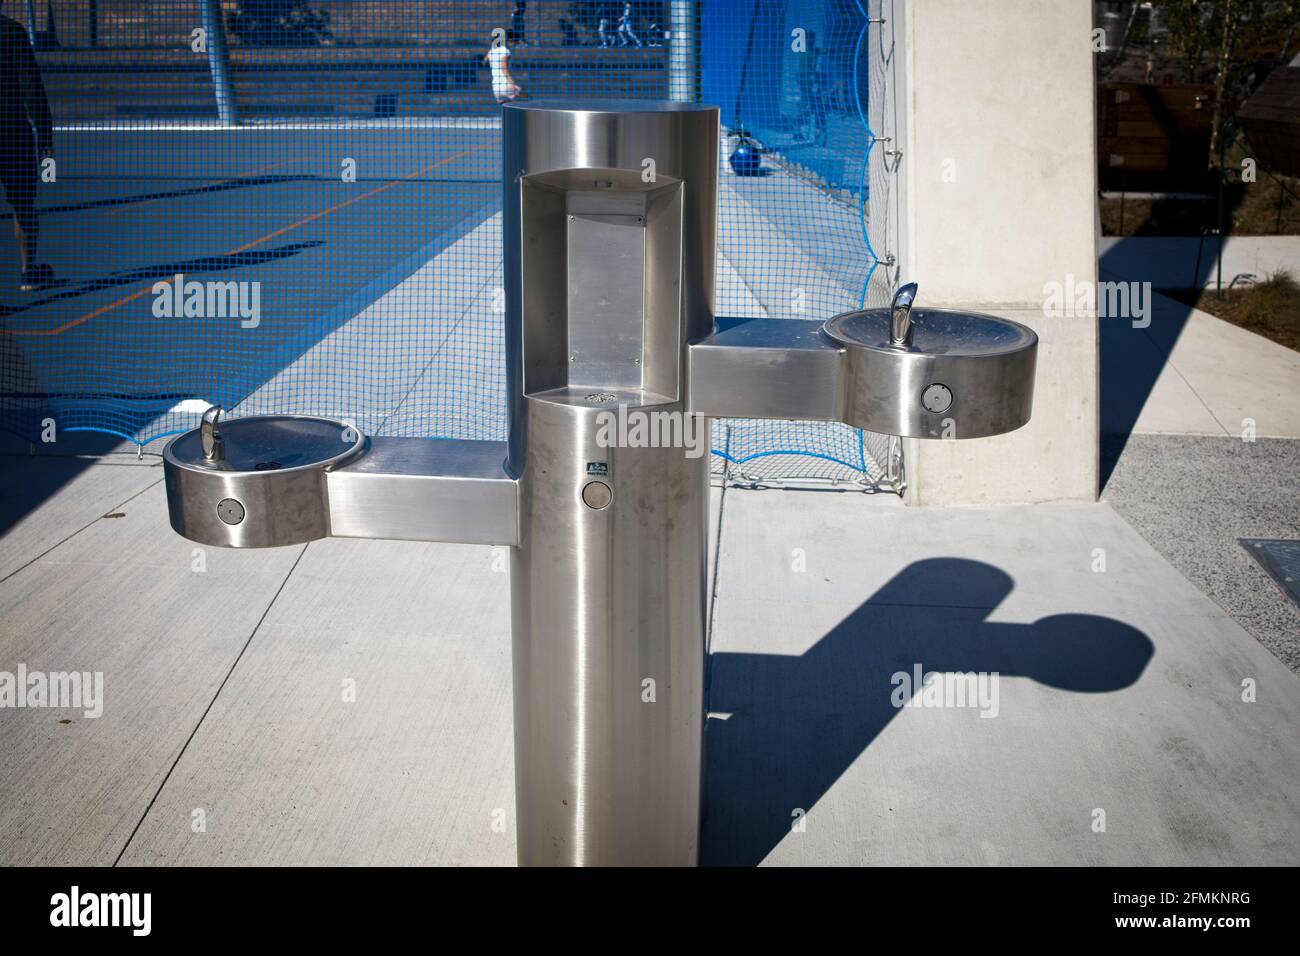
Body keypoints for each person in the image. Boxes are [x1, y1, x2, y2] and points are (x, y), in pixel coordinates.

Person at [0, 12, 53, 291]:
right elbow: (31, 86)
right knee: (23, 205)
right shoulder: (12, 31)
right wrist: (45, 133)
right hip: (12, 131)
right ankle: (28, 271)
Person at [485, 36, 521, 104]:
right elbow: (503, 69)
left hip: (495, 87)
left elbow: (484, 61)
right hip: (505, 85)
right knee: (521, 93)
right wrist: (512, 83)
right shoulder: (504, 50)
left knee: (505, 105)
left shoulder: (491, 51)